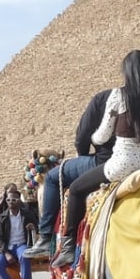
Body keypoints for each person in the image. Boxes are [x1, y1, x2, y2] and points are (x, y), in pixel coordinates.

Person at [54, 50, 140, 267]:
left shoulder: (118, 95)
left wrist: (92, 138)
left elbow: (102, 135)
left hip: (123, 166)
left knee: (78, 190)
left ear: (126, 72)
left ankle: (68, 247)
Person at [23, 89, 115, 258]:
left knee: (51, 178)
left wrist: (84, 155)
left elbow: (83, 135)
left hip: (105, 162)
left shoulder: (110, 98)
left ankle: (46, 237)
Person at [0, 186, 38, 279]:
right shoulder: (2, 218)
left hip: (21, 245)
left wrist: (33, 227)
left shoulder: (27, 214)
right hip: (7, 247)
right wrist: (6, 253)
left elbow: (38, 227)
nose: (11, 202)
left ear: (19, 201)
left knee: (24, 255)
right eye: (8, 200)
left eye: (14, 200)